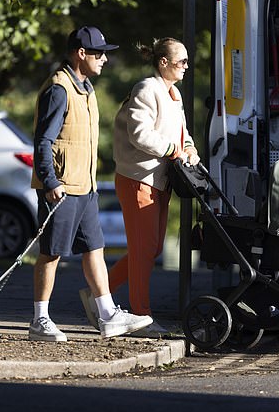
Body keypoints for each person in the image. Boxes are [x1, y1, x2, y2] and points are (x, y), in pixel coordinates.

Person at [30, 26, 153, 342]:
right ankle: (39, 320)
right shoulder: (59, 89)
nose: (105, 60)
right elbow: (43, 141)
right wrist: (50, 181)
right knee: (52, 253)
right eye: (98, 53)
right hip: (61, 187)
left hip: (85, 186)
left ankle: (108, 314)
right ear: (80, 53)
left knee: (94, 249)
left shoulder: (85, 88)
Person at [107, 37, 199, 337]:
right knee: (144, 249)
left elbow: (182, 134)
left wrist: (190, 149)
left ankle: (99, 294)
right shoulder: (147, 89)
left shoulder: (174, 94)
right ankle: (141, 316)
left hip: (159, 180)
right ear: (163, 62)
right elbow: (140, 135)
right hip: (138, 178)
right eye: (181, 60)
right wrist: (175, 149)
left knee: (151, 248)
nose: (186, 65)